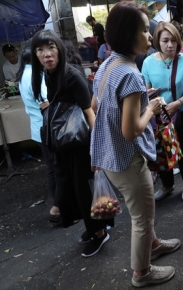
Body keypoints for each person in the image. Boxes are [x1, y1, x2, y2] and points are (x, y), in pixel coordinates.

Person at [90, 2, 180, 287]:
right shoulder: (131, 73)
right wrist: (151, 108)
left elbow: (98, 105)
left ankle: (153, 245)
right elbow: (131, 131)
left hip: (108, 155)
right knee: (142, 217)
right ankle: (142, 273)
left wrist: (141, 98)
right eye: (144, 29)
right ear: (128, 34)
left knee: (141, 212)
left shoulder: (107, 65)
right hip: (127, 157)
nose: (149, 35)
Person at [31, 29, 112, 257]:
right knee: (72, 191)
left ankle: (100, 233)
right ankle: (92, 227)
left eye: (51, 47)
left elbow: (90, 113)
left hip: (82, 145)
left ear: (59, 48)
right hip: (65, 144)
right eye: (40, 49)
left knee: (84, 191)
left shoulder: (71, 75)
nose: (46, 54)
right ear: (35, 55)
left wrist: (98, 151)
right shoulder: (49, 74)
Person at [142, 22, 183, 201]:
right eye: (165, 40)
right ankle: (167, 185)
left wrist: (178, 102)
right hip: (160, 116)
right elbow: (146, 90)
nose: (170, 45)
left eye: (174, 40)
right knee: (162, 151)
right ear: (157, 40)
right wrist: (155, 100)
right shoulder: (148, 63)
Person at [17, 44, 61, 224]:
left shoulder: (23, 75)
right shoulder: (34, 76)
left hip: (39, 128)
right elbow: (45, 103)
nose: (45, 56)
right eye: (40, 53)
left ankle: (58, 206)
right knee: (56, 169)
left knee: (52, 169)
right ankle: (57, 208)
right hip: (46, 128)